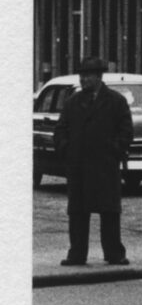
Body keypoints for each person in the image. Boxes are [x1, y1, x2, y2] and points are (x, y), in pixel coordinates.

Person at [52, 57, 135, 267]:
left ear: (98, 77)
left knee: (109, 211)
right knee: (77, 212)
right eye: (81, 76)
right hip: (78, 166)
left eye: (87, 76)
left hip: (105, 165)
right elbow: (60, 130)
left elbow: (126, 131)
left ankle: (114, 253)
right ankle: (77, 254)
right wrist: (66, 150)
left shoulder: (116, 101)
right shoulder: (72, 102)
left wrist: (114, 150)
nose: (83, 80)